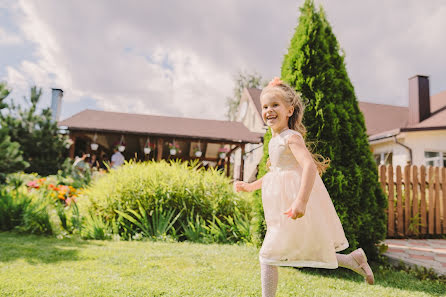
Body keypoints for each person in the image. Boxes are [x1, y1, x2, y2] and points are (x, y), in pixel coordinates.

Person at [234, 77, 374, 297]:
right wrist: (251, 186)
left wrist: (301, 201)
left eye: (275, 105)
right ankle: (352, 260)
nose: (269, 110)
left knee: (268, 254)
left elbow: (309, 167)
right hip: (280, 209)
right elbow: (275, 174)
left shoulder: (291, 137)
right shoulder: (273, 140)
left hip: (294, 203)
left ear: (289, 110)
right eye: (265, 106)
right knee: (303, 246)